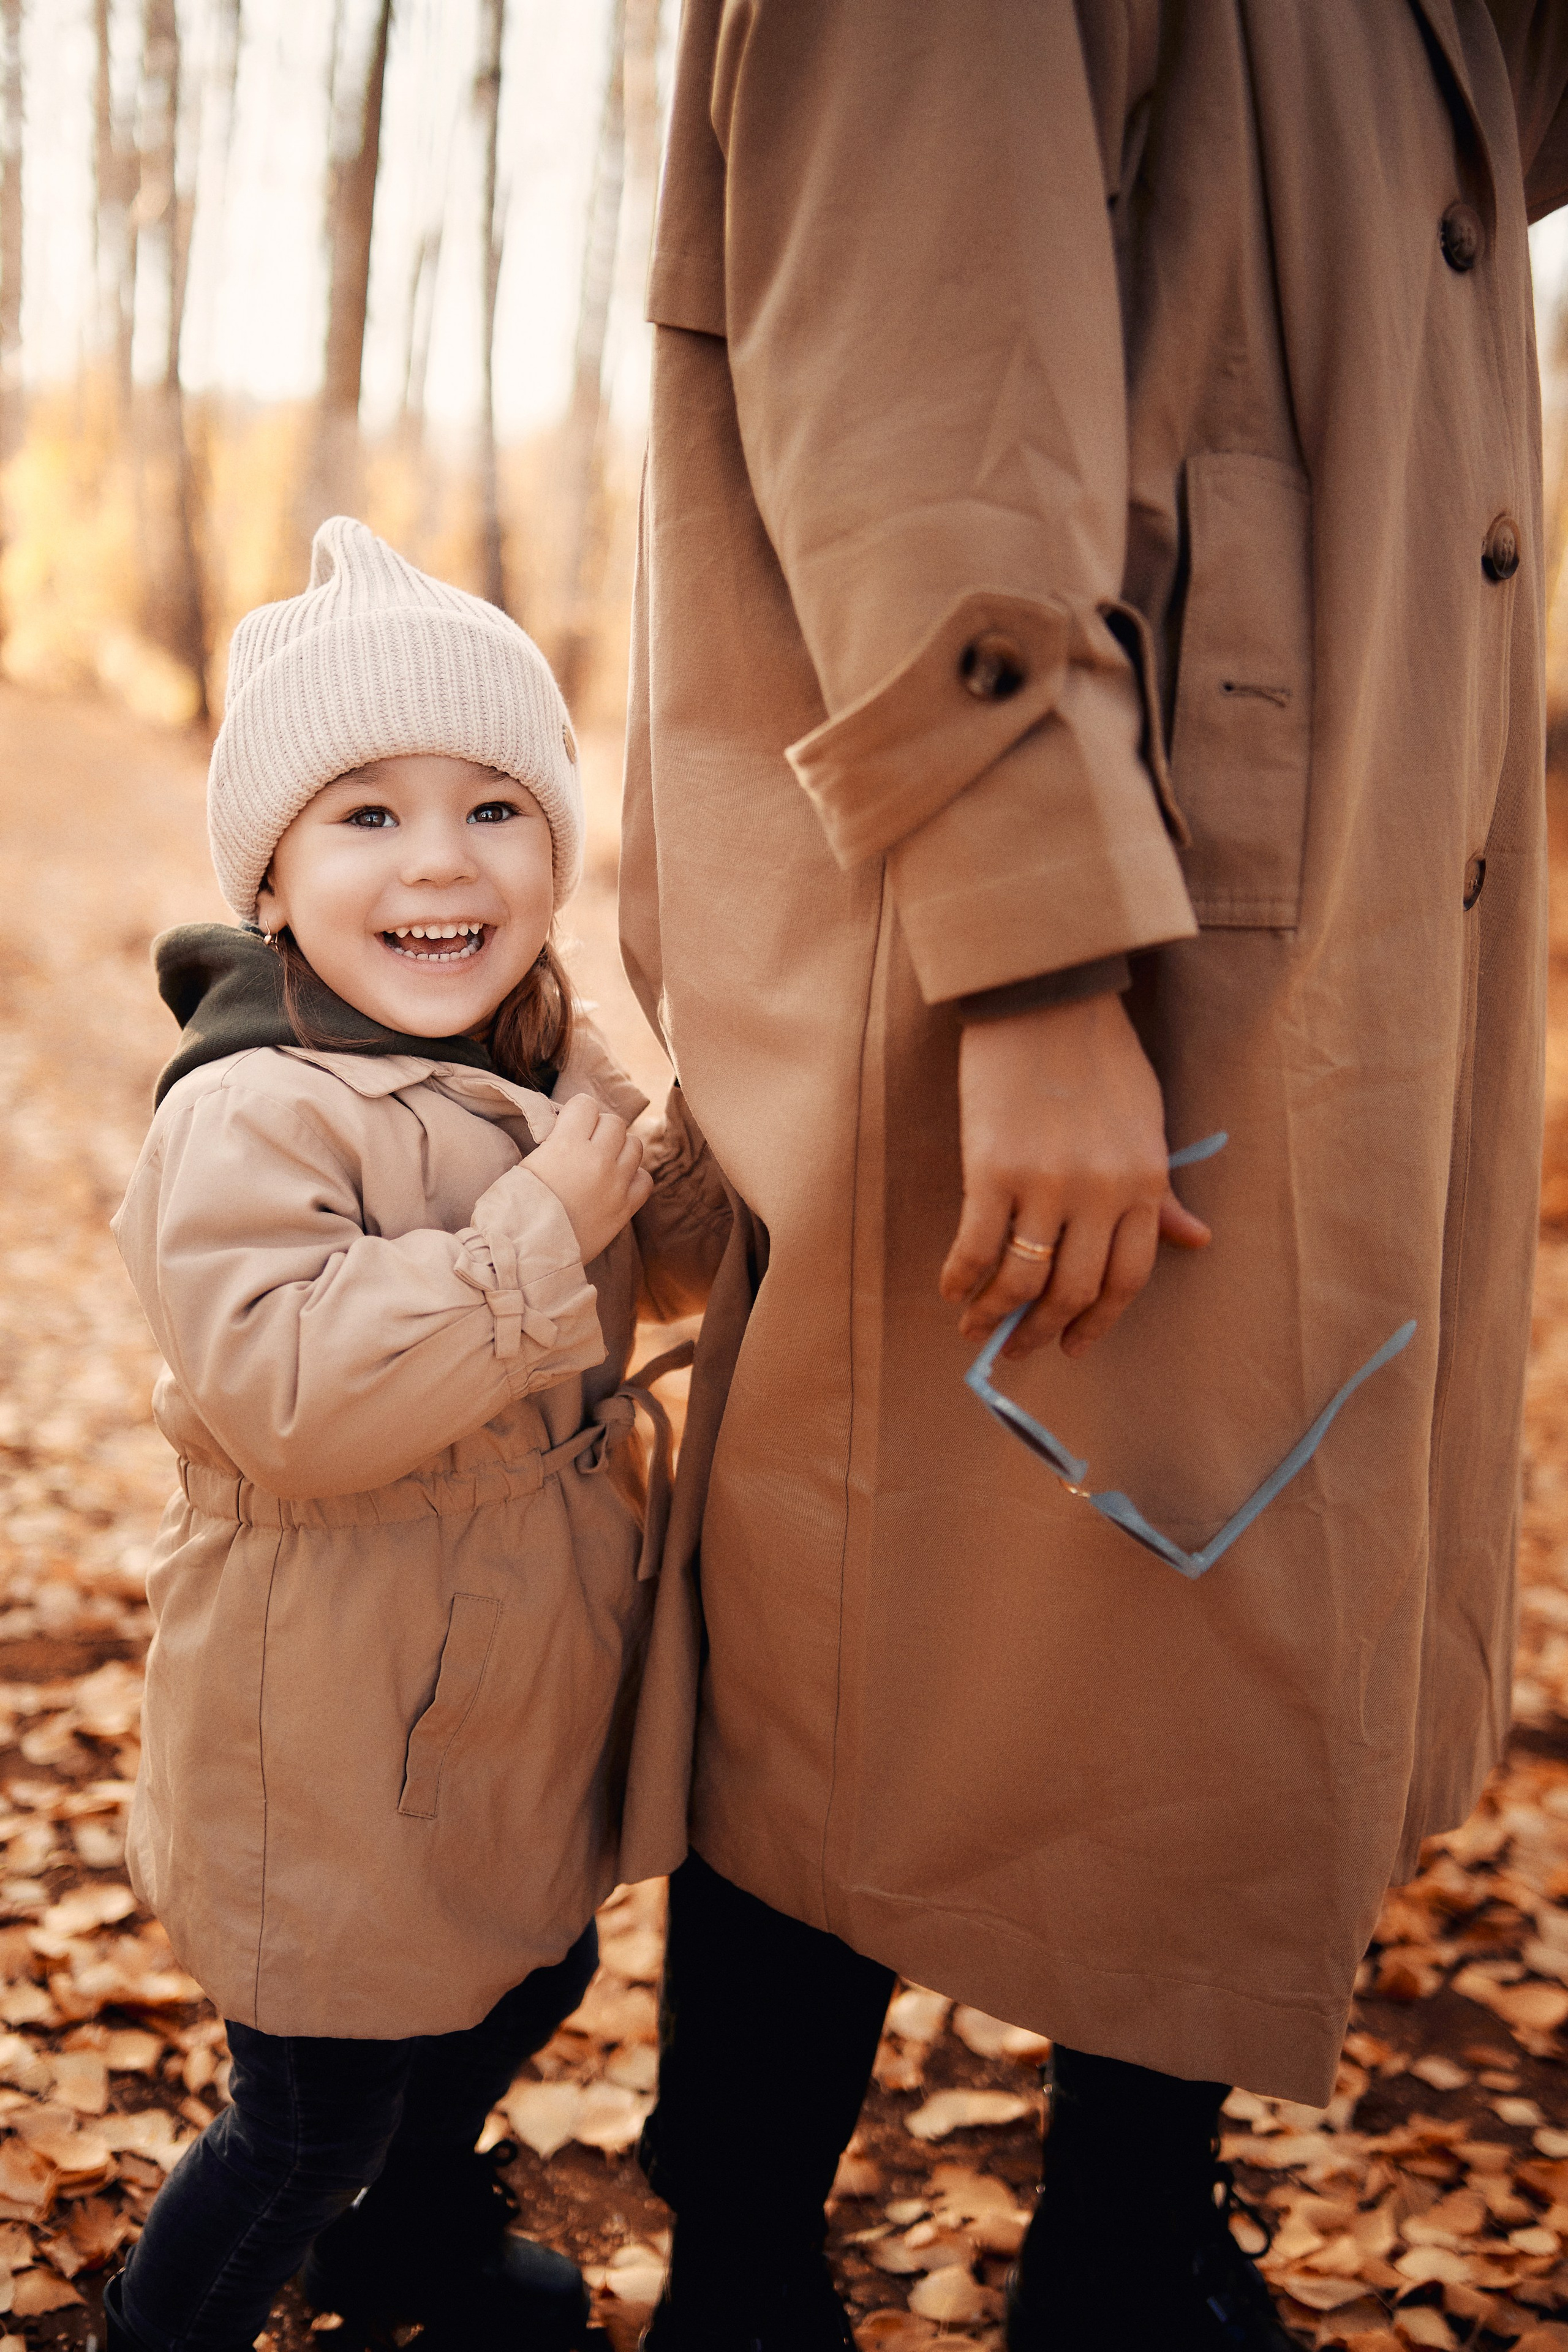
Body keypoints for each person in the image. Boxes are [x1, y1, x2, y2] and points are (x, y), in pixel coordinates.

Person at [616, 4, 1568, 2347]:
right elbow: (910, 353)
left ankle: (1134, 2245)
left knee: (1236, 1585)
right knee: (880, 1609)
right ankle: (743, 2265)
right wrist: (1037, 967)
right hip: (1051, 919)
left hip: (1319, 889)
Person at [105, 518, 727, 2352]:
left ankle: (410, 2243)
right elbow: (292, 1396)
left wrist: (647, 1116)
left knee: (528, 1970)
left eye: (496, 810)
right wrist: (547, 1225)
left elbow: (675, 1253)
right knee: (308, 2112)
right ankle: (171, 2318)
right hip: (332, 1711)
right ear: (275, 884)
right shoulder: (253, 1116)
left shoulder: (531, 1052)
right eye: (366, 815)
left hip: (510, 1681)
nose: (440, 860)